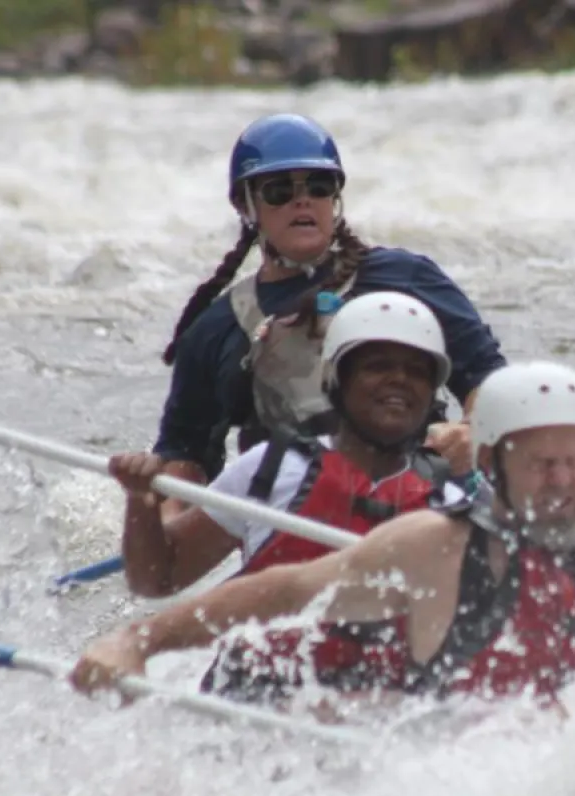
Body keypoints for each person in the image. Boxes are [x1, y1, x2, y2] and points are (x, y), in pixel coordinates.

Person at [69, 362, 575, 710]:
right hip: (448, 756)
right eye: (541, 463)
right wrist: (137, 640)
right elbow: (283, 592)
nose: (563, 480)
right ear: (490, 463)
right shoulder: (430, 546)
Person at [151, 112, 507, 518]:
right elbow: (184, 458)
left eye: (318, 187)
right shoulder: (216, 329)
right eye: (279, 190)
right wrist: (163, 521)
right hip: (295, 511)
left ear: (334, 199)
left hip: (417, 496)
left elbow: (488, 376)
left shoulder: (406, 278)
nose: (302, 200)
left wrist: (472, 432)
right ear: (246, 205)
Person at [108, 290, 464, 599]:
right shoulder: (271, 469)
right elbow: (157, 579)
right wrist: (141, 501)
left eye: (417, 371)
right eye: (378, 366)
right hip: (263, 676)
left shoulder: (452, 503)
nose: (399, 380)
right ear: (336, 381)